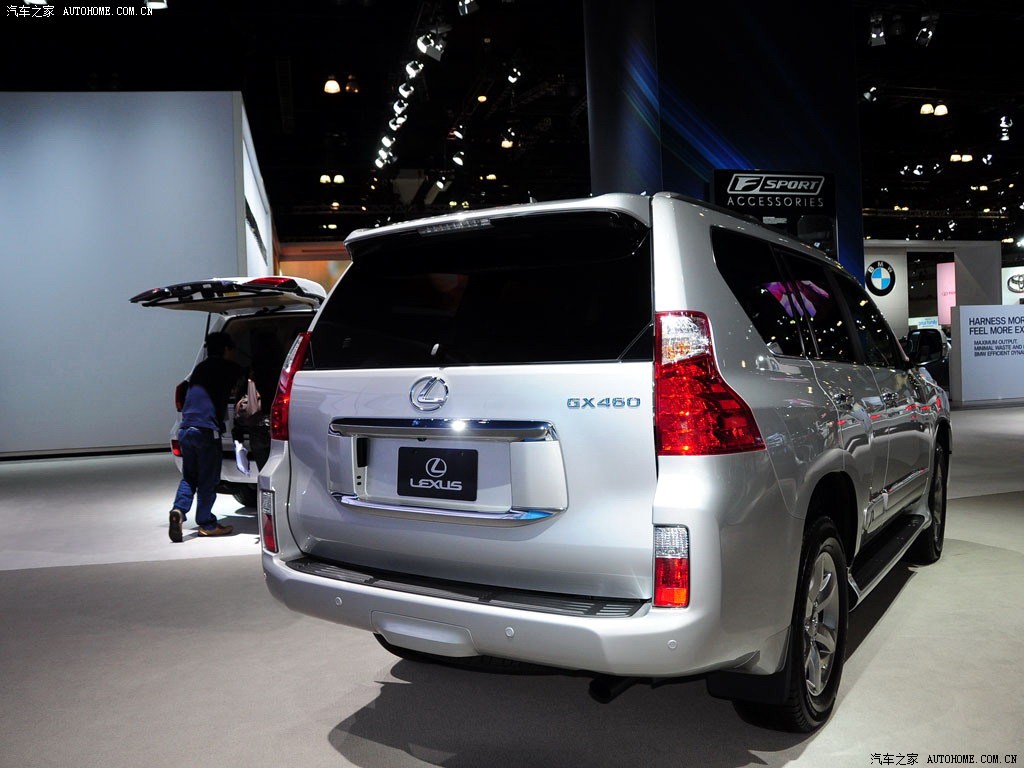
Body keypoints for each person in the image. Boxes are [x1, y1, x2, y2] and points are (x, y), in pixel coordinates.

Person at [168, 331, 245, 542]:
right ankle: (207, 523)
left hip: (185, 429)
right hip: (206, 431)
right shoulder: (229, 367)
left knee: (189, 477)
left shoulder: (199, 368)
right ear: (227, 349)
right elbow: (247, 378)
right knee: (208, 480)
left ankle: (178, 511)